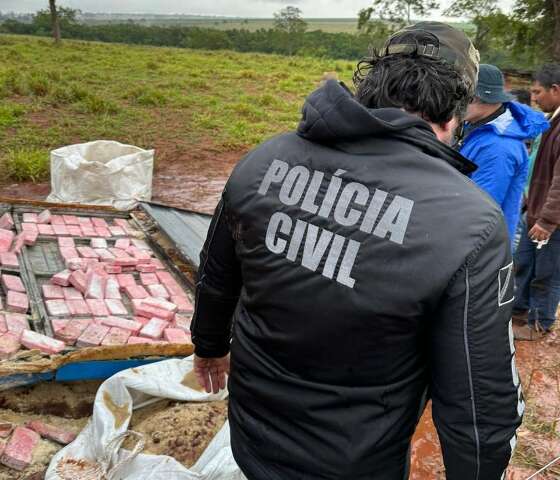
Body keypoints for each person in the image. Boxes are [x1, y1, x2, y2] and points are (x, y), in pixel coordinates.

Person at [192, 22, 523, 479]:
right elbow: (480, 398)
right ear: (455, 114)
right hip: (357, 463)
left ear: (369, 90)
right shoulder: (470, 222)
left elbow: (215, 278)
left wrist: (208, 348)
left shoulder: (265, 160)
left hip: (252, 437)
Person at [459, 64, 549, 244]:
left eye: (463, 97)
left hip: (478, 247)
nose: (457, 104)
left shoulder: (498, 146)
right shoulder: (478, 130)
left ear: (480, 98)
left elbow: (478, 210)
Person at [513, 64, 560, 338]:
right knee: (524, 264)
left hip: (550, 221)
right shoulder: (550, 122)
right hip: (535, 212)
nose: (534, 98)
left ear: (555, 90)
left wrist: (548, 220)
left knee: (547, 273)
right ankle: (517, 313)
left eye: (538, 92)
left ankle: (540, 324)